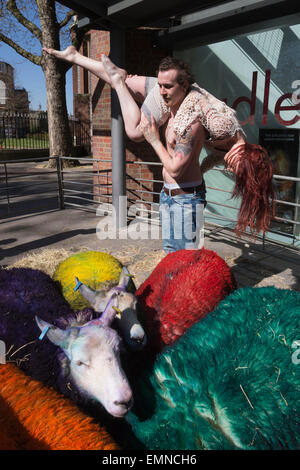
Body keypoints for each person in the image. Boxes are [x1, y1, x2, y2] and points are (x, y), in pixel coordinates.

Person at [43, 46, 275, 251]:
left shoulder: (232, 150)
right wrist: (175, 116)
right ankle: (108, 74)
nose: (231, 170)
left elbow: (211, 160)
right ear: (242, 156)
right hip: (185, 97)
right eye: (235, 169)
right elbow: (200, 102)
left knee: (123, 82)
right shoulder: (221, 127)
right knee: (135, 130)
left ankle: (76, 57)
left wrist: (199, 172)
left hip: (182, 188)